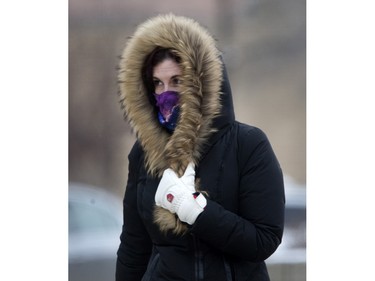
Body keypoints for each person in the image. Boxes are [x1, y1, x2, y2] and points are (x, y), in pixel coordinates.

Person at [116, 14, 285, 281]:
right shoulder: (144, 154)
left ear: (201, 83)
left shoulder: (248, 144)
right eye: (157, 84)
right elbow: (134, 245)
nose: (165, 94)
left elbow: (264, 239)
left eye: (177, 81)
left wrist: (196, 211)